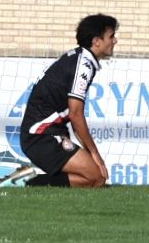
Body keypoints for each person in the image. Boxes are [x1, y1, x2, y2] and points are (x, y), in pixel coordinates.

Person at [15, 14, 118, 188]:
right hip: (40, 136)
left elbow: (71, 115)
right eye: (111, 36)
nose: (115, 41)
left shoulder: (81, 58)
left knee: (96, 179)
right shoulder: (83, 64)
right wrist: (95, 154)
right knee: (96, 177)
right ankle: (26, 182)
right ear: (97, 41)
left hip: (48, 134)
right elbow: (76, 114)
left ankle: (28, 181)